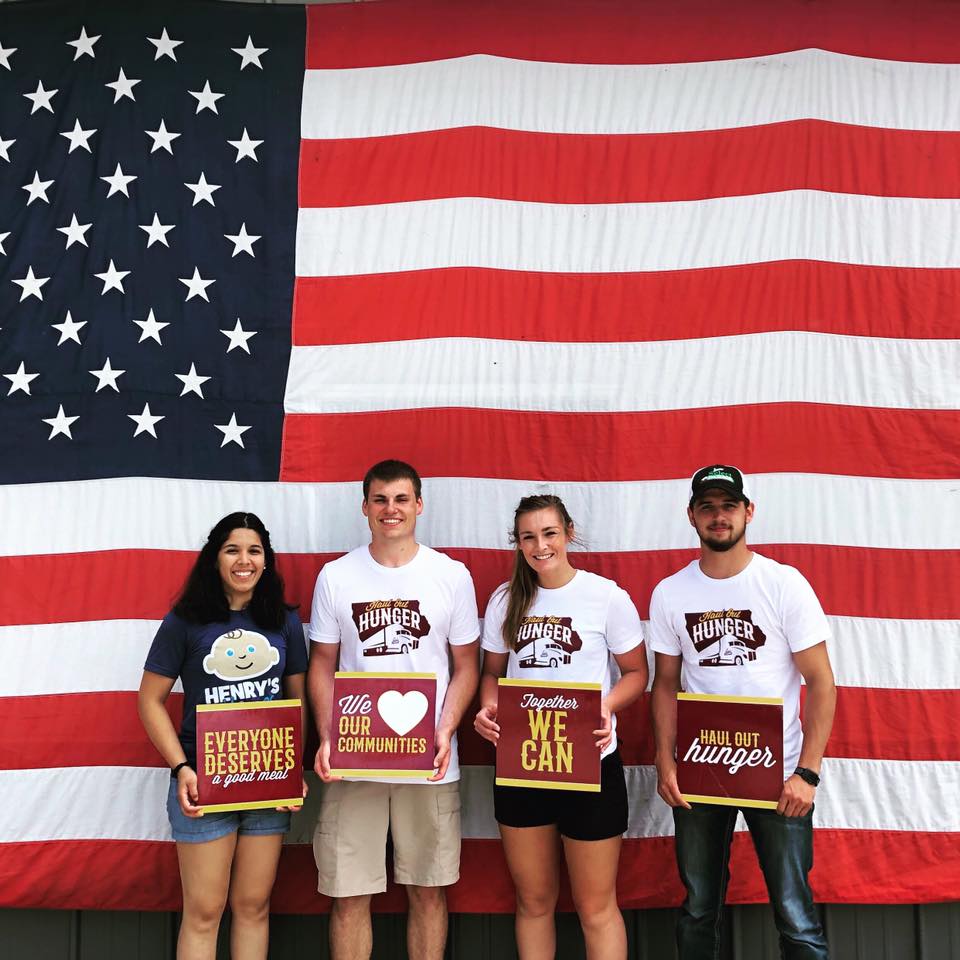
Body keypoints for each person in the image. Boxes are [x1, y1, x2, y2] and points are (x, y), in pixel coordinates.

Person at [649, 465, 837, 959]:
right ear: (691, 516)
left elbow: (820, 681)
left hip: (777, 773)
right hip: (701, 767)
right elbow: (665, 683)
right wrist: (666, 761)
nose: (718, 516)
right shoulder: (671, 592)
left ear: (748, 512)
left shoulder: (782, 584)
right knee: (697, 909)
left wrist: (808, 773)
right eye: (707, 507)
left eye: (728, 506)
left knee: (796, 916)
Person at [308, 460, 480, 960]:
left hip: (428, 760)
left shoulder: (450, 575)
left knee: (428, 891)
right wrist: (328, 735)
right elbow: (322, 663)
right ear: (365, 508)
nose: (391, 509)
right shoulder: (337, 576)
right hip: (356, 758)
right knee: (347, 895)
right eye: (380, 499)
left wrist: (446, 729)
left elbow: (466, 665)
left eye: (401, 499)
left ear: (419, 505)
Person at [475, 494, 648, 960]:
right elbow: (492, 673)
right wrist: (489, 709)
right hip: (523, 764)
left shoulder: (606, 597)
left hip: (590, 764)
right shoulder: (505, 600)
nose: (540, 545)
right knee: (533, 902)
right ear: (517, 543)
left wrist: (606, 706)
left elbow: (637, 674)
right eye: (528, 536)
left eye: (549, 533)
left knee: (596, 906)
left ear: (568, 533)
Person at [138, 512, 308, 960]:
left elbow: (297, 702)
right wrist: (181, 768)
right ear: (215, 557)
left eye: (254, 551)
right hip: (204, 785)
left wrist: (293, 769)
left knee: (253, 907)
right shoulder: (185, 622)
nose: (244, 560)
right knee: (204, 911)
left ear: (267, 561)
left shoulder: (284, 622)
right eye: (233, 549)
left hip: (268, 785)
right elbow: (150, 701)